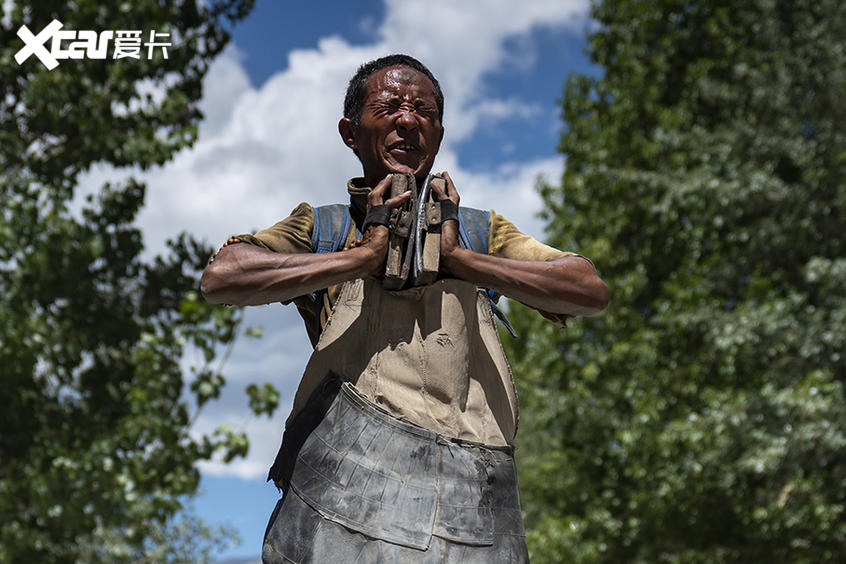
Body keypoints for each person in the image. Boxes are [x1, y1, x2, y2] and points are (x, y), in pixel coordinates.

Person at [201, 54, 608, 563]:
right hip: (342, 495)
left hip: (470, 501)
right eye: (389, 106)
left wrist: (463, 260)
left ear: (437, 134)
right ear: (351, 133)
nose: (408, 120)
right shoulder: (322, 227)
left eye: (425, 111)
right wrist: (362, 257)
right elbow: (224, 277)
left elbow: (587, 290)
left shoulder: (483, 232)